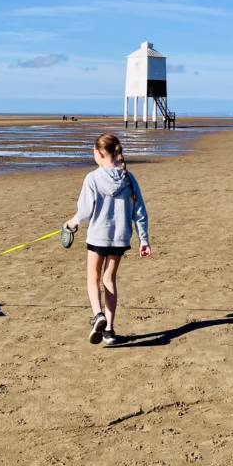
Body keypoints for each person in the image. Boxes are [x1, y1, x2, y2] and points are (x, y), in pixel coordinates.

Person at [65, 133, 151, 346]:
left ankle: (98, 316)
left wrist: (72, 223)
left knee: (93, 279)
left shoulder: (93, 178)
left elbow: (85, 212)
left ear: (101, 153)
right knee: (109, 279)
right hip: (120, 239)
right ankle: (109, 332)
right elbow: (139, 212)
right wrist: (144, 240)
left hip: (98, 236)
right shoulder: (128, 178)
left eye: (94, 152)